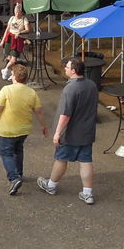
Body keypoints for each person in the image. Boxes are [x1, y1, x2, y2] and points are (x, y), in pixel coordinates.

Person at [37, 56, 100, 204]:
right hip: (86, 132)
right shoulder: (91, 85)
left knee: (61, 159)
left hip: (70, 133)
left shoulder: (70, 89)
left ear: (73, 71)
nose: (64, 68)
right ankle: (88, 193)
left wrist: (57, 133)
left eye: (67, 67)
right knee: (86, 161)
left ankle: (51, 185)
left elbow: (65, 114)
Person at [0, 63, 48, 196]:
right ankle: (19, 173)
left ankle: (14, 178)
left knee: (6, 153)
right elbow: (39, 111)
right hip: (24, 130)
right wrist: (43, 126)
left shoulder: (6, 90)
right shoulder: (31, 92)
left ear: (14, 76)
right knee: (18, 150)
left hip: (7, 130)